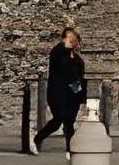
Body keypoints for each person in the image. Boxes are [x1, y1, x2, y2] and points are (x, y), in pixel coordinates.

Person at [34, 23, 88, 151]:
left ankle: (70, 148)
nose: (73, 42)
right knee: (58, 119)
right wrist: (67, 49)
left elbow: (78, 77)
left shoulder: (77, 59)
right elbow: (63, 67)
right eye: (71, 38)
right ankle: (38, 138)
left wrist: (81, 96)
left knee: (69, 123)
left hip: (71, 95)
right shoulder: (57, 52)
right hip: (57, 93)